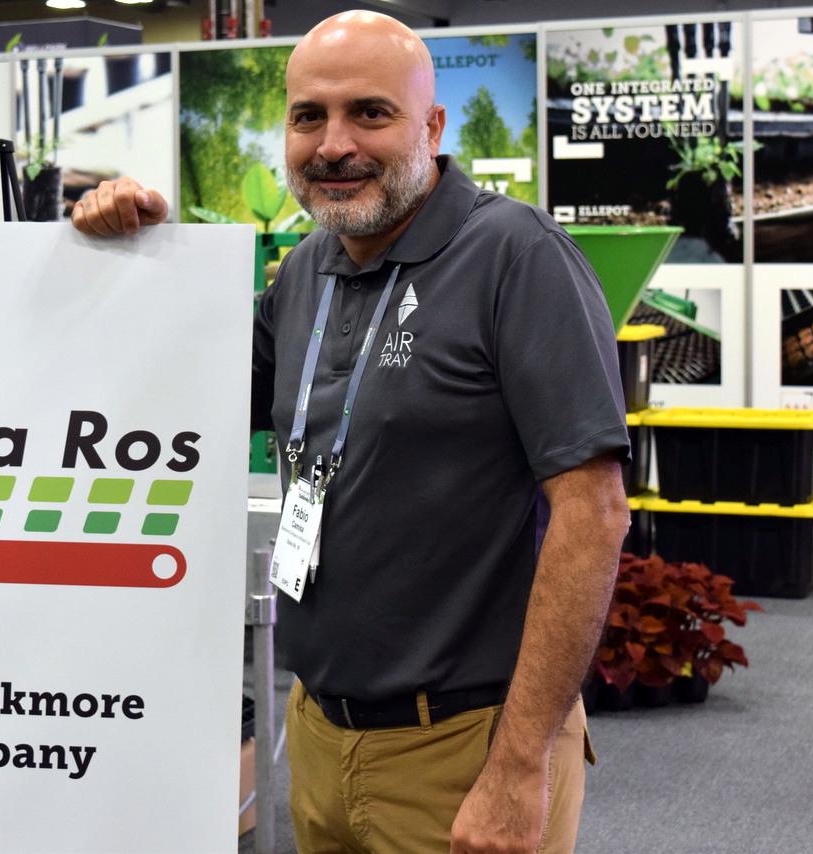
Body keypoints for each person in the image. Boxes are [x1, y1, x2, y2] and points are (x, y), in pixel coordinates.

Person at [73, 11, 631, 853]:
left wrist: (520, 763)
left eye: (370, 112)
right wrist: (140, 257)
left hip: (464, 746)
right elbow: (182, 397)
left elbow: (594, 512)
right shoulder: (310, 267)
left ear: (431, 127)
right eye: (309, 116)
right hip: (319, 730)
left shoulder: (515, 255)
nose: (334, 144)